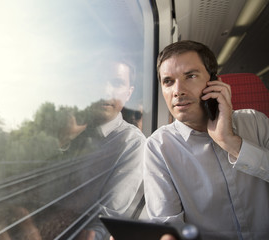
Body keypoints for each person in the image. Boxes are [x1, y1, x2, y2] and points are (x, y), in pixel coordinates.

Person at [144, 40, 269, 240]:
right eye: (168, 81)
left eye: (190, 76)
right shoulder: (159, 147)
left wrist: (231, 142)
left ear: (214, 82)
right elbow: (168, 227)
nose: (178, 91)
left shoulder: (255, 122)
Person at [51, 49, 146, 240]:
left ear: (129, 94)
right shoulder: (77, 133)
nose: (106, 91)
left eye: (117, 83)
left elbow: (108, 217)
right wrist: (65, 141)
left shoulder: (132, 143)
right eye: (99, 82)